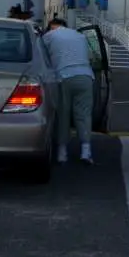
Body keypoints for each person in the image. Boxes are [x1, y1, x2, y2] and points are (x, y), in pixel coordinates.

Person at [42, 18, 96, 165]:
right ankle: (86, 151)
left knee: (63, 114)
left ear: (52, 27)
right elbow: (91, 58)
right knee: (84, 114)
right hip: (85, 76)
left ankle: (62, 152)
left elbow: (42, 58)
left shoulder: (48, 36)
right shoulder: (80, 36)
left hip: (63, 77)